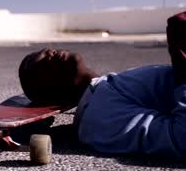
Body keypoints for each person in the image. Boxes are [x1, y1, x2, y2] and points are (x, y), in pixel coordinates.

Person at [18, 12, 186, 159]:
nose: (48, 52)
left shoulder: (102, 91)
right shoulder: (97, 115)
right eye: (39, 65)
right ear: (49, 95)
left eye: (46, 51)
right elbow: (180, 137)